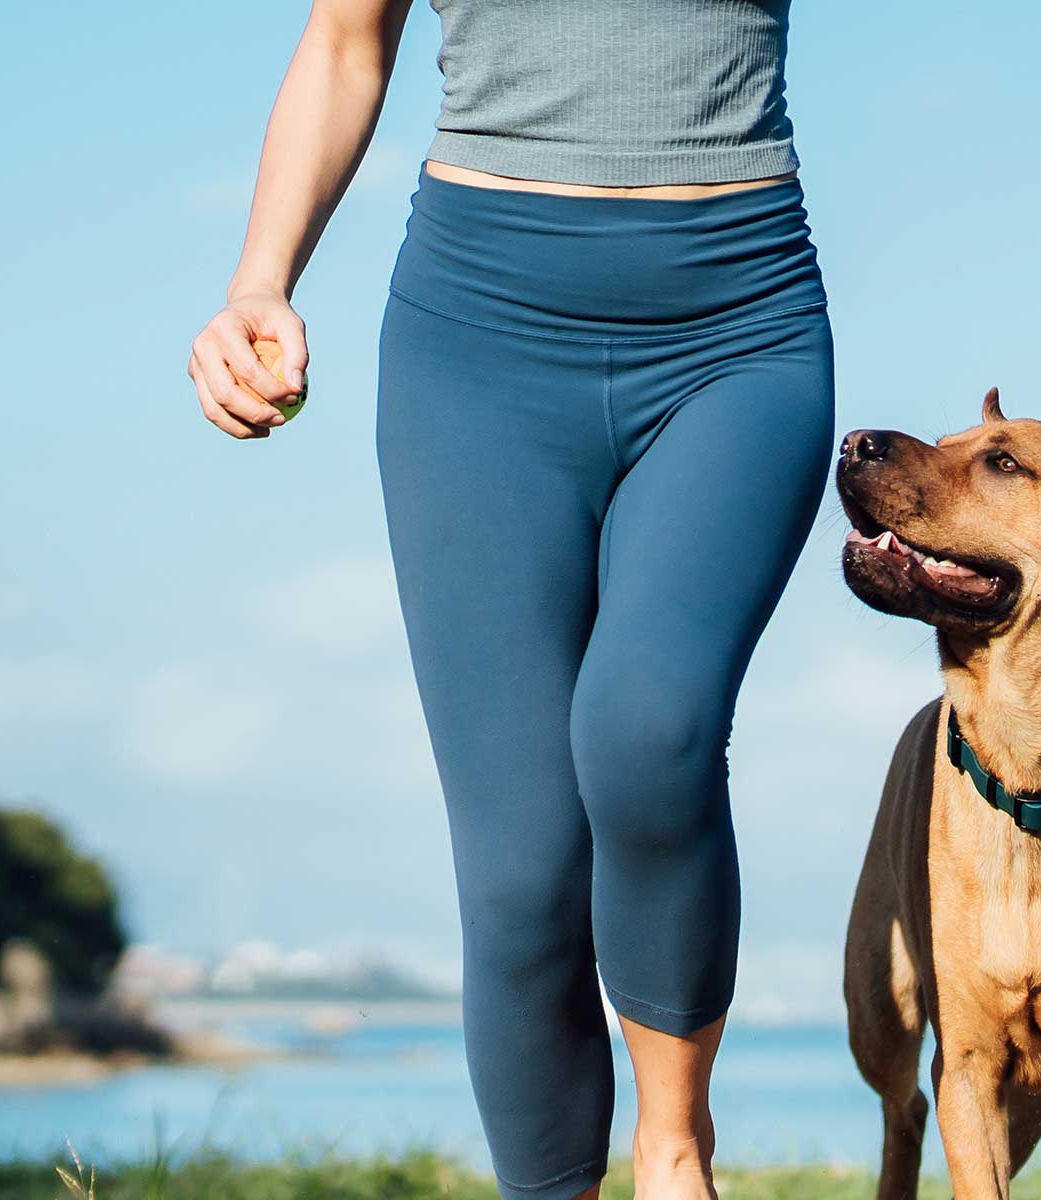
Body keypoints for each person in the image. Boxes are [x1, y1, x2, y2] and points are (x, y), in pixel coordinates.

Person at [187, 4, 832, 1198]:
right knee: (520, 864)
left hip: (736, 332)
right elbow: (342, 44)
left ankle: (673, 1150)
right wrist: (256, 282)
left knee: (650, 732)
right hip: (474, 343)